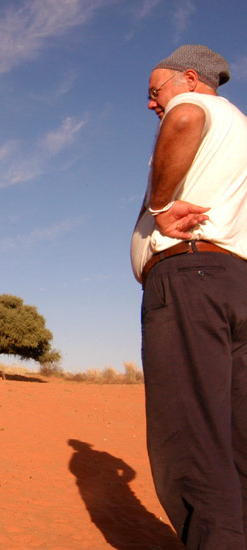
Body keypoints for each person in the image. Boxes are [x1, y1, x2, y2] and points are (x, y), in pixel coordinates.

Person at [131, 44, 247, 548]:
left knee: (191, 433)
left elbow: (182, 120)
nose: (152, 104)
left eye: (155, 92)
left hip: (191, 280)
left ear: (191, 80)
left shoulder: (195, 107)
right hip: (235, 283)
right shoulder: (239, 130)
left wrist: (159, 205)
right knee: (235, 432)